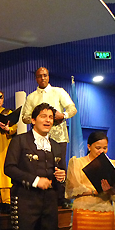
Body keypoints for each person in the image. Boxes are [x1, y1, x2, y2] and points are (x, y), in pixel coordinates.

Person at [4, 103, 66, 230]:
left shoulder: (57, 146)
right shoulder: (20, 141)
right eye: (43, 117)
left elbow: (61, 172)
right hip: (25, 198)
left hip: (49, 201)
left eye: (50, 117)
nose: (48, 120)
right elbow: (9, 168)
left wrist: (61, 177)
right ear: (33, 120)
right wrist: (34, 180)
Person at [22, 67, 77, 207]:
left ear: (48, 76)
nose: (43, 78)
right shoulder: (31, 96)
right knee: (39, 165)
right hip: (38, 138)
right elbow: (24, 117)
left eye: (45, 75)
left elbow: (72, 109)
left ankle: (62, 198)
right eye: (39, 76)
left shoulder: (58, 91)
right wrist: (37, 118)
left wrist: (63, 115)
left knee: (60, 166)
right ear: (36, 78)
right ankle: (42, 195)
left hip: (58, 136)